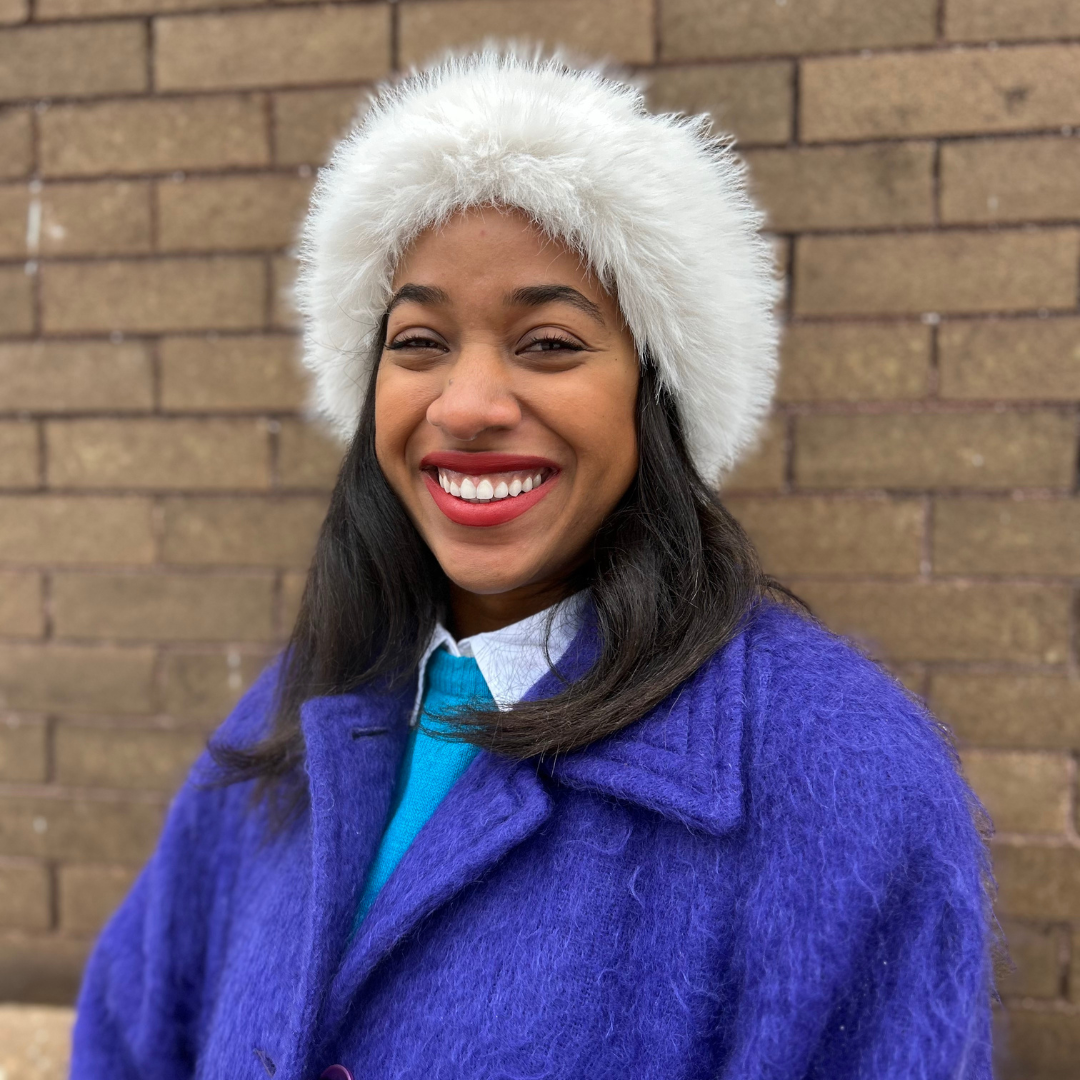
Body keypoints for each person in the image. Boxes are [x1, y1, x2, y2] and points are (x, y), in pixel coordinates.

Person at [70, 50, 993, 1079]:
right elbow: (125, 1041)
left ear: (658, 390)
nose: (464, 406)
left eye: (548, 342)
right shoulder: (286, 723)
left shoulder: (845, 783)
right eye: (418, 341)